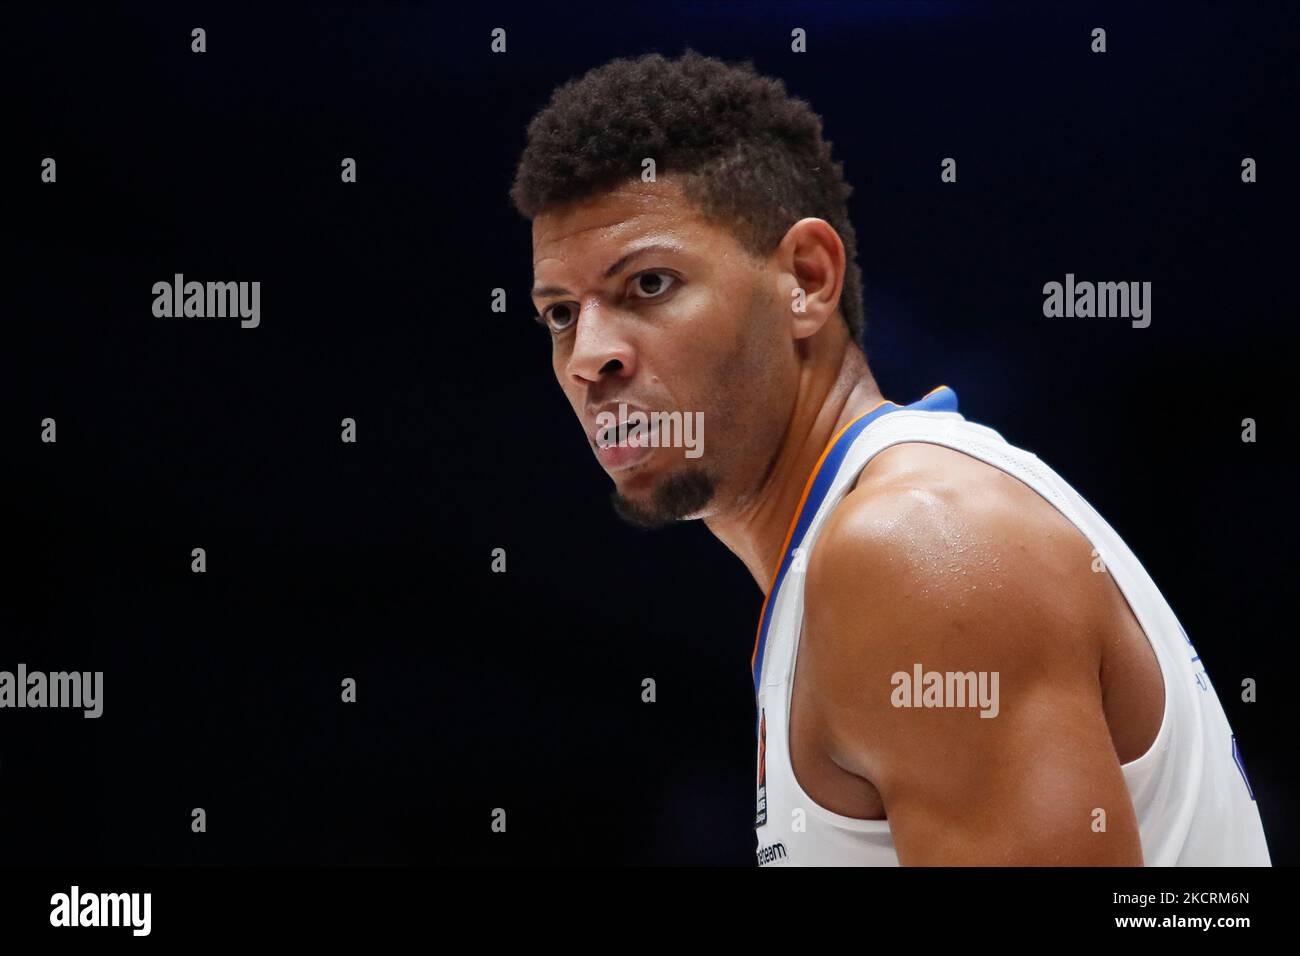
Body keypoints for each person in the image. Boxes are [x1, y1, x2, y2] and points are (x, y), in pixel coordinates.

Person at [510, 50, 1271, 866]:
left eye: (649, 285)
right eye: (559, 314)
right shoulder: (864, 547)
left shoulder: (912, 550)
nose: (589, 355)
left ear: (805, 278)